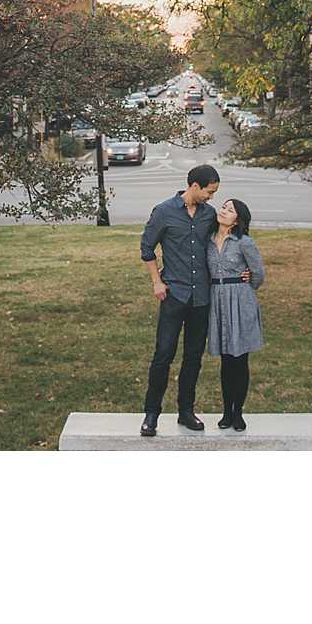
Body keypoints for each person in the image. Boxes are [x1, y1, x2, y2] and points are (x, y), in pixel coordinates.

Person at [138, 163, 220, 437]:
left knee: (193, 357)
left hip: (202, 298)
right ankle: (151, 413)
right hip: (174, 295)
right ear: (194, 186)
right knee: (163, 355)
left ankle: (186, 411)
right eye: (209, 192)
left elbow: (227, 238)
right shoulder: (163, 212)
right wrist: (156, 281)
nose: (212, 197)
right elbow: (147, 248)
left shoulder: (210, 215)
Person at [205, 198, 265, 431]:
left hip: (240, 302)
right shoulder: (208, 241)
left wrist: (247, 281)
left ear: (237, 219)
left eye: (230, 210)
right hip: (217, 301)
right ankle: (226, 411)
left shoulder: (244, 243)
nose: (224, 211)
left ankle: (238, 413)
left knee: (239, 360)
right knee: (226, 361)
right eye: (223, 207)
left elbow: (259, 274)